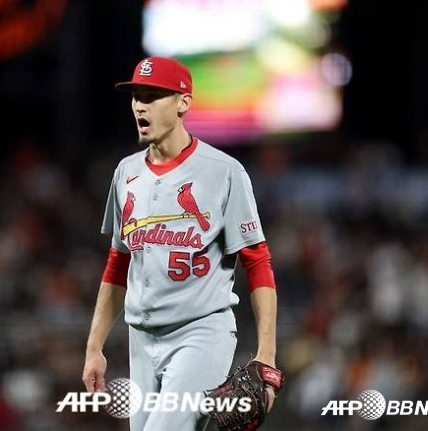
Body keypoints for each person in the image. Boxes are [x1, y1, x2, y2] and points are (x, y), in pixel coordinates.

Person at [82, 56, 279, 430]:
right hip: (141, 338)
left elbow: (257, 261)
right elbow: (118, 262)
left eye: (153, 96)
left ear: (183, 103)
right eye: (137, 96)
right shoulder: (126, 172)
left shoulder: (224, 171)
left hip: (200, 334)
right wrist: (95, 347)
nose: (140, 105)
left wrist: (266, 354)